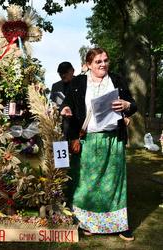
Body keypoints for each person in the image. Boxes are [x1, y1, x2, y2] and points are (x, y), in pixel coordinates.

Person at [61, 48, 137, 241]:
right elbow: (67, 104)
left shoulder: (117, 80)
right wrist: (67, 109)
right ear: (88, 65)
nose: (103, 64)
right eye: (98, 62)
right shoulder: (78, 82)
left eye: (105, 60)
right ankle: (87, 222)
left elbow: (132, 104)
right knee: (87, 183)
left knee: (114, 184)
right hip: (88, 139)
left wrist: (127, 106)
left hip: (113, 139)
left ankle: (119, 224)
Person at [50, 61, 74, 140]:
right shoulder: (55, 86)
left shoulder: (80, 83)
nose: (63, 75)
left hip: (76, 126)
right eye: (60, 73)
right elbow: (52, 104)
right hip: (60, 128)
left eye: (65, 72)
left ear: (72, 71)